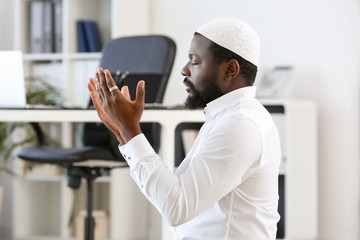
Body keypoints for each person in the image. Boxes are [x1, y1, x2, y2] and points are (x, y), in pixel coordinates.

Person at [88, 17, 281, 240]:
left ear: (230, 70)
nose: (184, 70)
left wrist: (131, 132)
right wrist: (123, 132)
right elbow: (174, 193)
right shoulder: (225, 117)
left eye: (195, 61)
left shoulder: (240, 124)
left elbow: (177, 208)